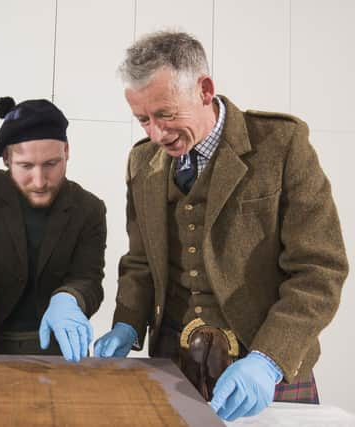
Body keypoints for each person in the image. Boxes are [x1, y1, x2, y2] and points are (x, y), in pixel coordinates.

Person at [94, 31, 348, 421]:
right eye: (142, 119)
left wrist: (269, 359)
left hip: (268, 366)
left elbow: (319, 270)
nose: (156, 133)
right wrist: (127, 323)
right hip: (171, 365)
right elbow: (141, 262)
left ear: (205, 90)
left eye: (165, 114)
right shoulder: (142, 162)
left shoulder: (281, 145)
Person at [0, 97, 106, 362]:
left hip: (54, 346)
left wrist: (70, 298)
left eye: (51, 164)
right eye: (26, 166)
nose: (40, 181)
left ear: (66, 150)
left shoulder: (89, 208)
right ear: (7, 158)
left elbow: (89, 279)